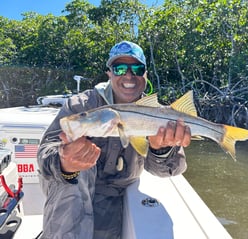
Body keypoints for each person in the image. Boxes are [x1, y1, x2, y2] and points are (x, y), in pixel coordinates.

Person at [37, 40, 191, 239]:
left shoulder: (158, 114)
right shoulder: (81, 105)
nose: (128, 75)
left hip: (116, 194)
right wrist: (64, 163)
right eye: (119, 68)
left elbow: (169, 170)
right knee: (73, 179)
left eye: (137, 68)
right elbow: (44, 153)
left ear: (145, 74)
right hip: (68, 190)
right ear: (109, 73)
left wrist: (160, 150)